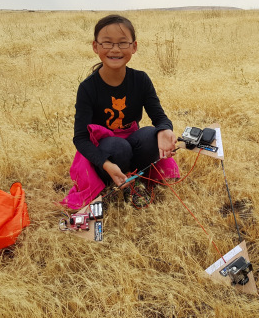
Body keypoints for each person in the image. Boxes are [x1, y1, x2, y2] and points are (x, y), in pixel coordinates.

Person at [61, 14, 180, 210]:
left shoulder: (141, 80)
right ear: (95, 46)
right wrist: (105, 163)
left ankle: (134, 176)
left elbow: (159, 117)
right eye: (107, 43)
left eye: (123, 43)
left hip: (131, 142)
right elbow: (80, 138)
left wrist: (165, 130)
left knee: (151, 134)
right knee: (118, 147)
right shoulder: (88, 88)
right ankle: (113, 179)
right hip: (105, 151)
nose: (115, 49)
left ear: (134, 46)